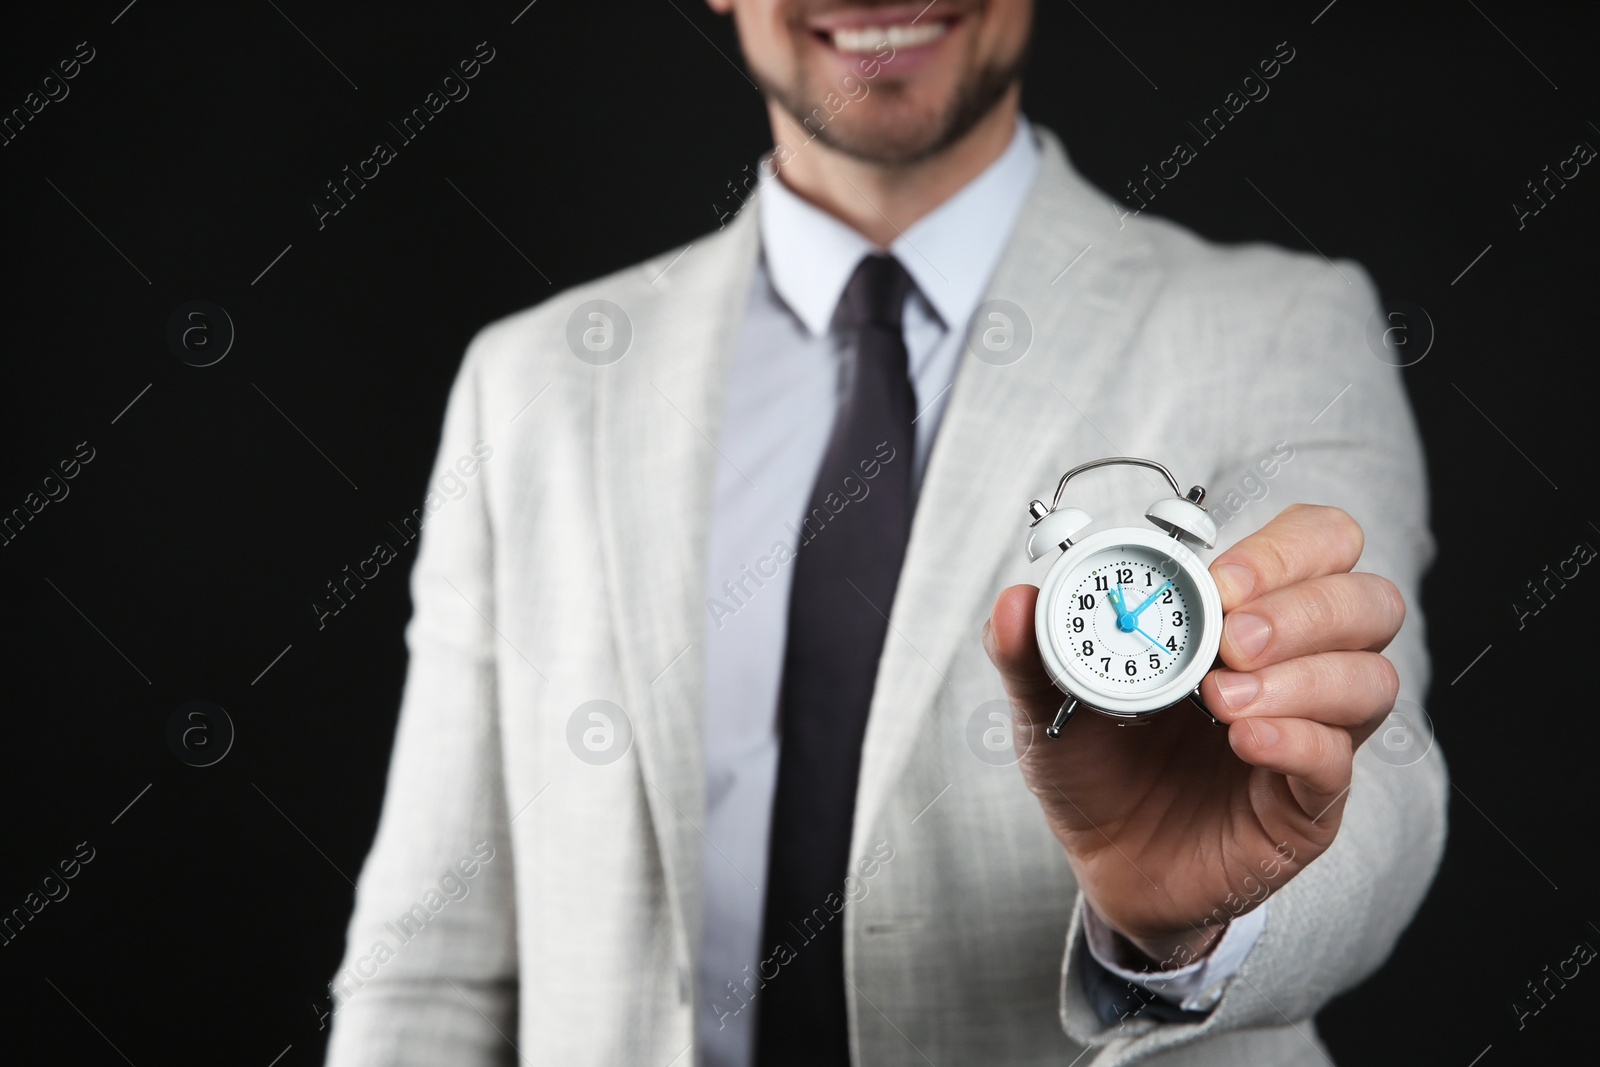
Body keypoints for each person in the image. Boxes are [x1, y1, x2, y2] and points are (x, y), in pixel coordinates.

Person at [324, 1, 1445, 1064]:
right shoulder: (534, 383)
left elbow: (1376, 774)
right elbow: (429, 962)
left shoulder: (1281, 326)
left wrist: (1192, 926)